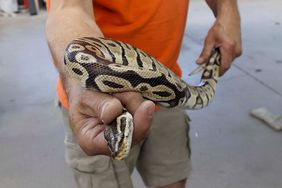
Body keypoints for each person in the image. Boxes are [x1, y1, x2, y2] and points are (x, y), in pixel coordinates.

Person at [45, 0, 242, 187]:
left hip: (170, 89)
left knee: (173, 179)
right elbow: (68, 8)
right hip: (98, 105)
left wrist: (228, 12)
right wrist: (77, 84)